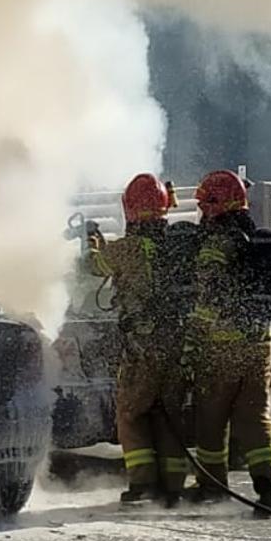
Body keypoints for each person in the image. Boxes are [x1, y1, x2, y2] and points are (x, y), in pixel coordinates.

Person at [184, 169, 271, 516]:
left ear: (216, 205)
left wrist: (191, 341)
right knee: (256, 418)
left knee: (211, 421)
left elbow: (208, 298)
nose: (201, 212)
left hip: (222, 349)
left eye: (204, 204)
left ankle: (212, 488)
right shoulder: (257, 240)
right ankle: (269, 490)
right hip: (259, 348)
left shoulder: (217, 245)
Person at [88, 173, 193, 507]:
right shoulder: (179, 245)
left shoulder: (126, 249)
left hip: (143, 349)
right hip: (177, 346)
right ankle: (173, 485)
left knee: (131, 414)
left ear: (130, 210)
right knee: (169, 414)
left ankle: (143, 485)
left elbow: (94, 266)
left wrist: (93, 242)